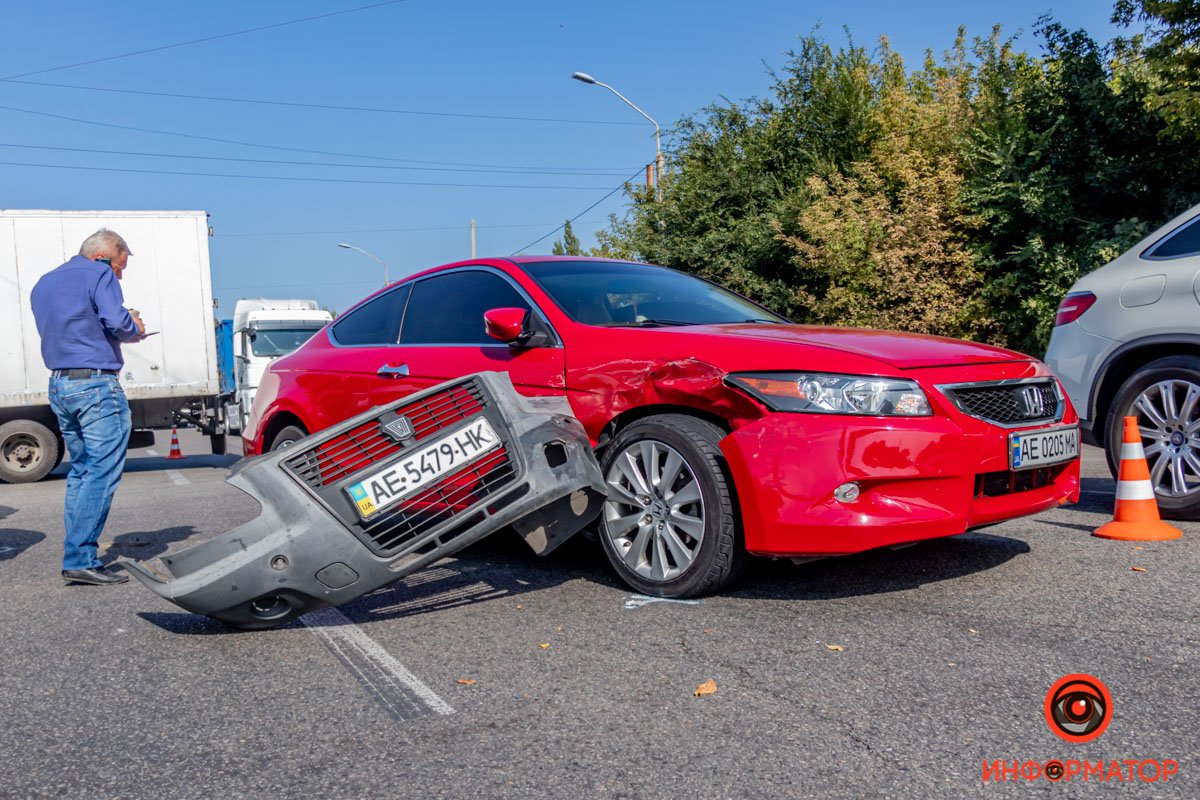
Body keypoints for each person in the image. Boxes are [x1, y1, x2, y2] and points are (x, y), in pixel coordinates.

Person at [30, 229, 145, 585]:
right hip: (96, 385)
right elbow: (117, 323)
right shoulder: (99, 274)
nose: (119, 275)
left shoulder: (44, 282)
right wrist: (134, 325)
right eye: (120, 267)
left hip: (61, 384)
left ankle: (76, 554)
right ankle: (81, 558)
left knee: (80, 472)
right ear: (104, 256)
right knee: (100, 472)